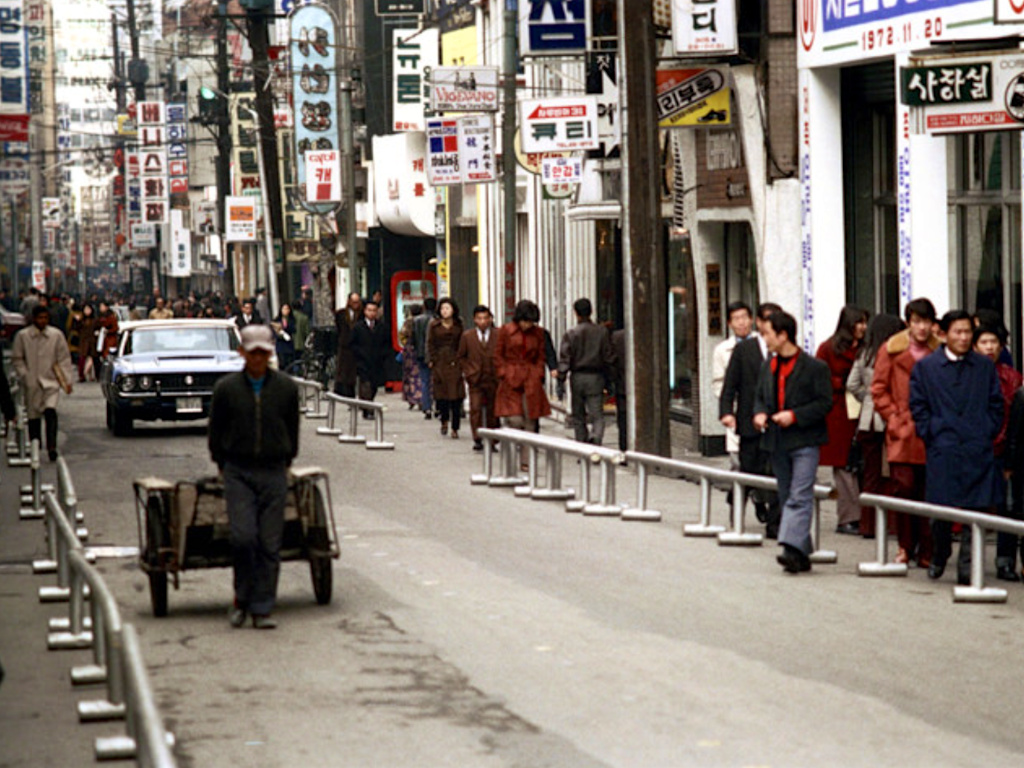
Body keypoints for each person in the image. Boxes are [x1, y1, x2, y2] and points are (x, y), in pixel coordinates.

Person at [208, 324, 299, 630]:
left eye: (263, 353)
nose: (258, 358)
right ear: (242, 353)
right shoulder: (227, 389)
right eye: (253, 353)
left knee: (270, 544)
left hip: (274, 470)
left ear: (269, 354)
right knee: (244, 537)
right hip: (238, 471)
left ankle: (262, 607)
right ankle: (241, 599)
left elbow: (292, 430)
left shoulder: (285, 388)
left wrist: (286, 460)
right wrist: (222, 462)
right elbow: (216, 431)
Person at [909, 310, 1003, 585]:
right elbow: (918, 406)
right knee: (941, 511)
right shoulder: (927, 368)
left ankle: (967, 565)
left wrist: (985, 431)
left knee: (976, 510)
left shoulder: (984, 367)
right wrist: (932, 431)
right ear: (943, 334)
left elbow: (996, 405)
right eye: (957, 332)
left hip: (977, 448)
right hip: (944, 448)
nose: (963, 338)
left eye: (967, 332)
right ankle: (940, 553)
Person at [752, 310, 832, 574]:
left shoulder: (814, 367)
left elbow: (824, 403)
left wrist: (795, 415)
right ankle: (801, 553)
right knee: (788, 496)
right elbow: (760, 397)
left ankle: (788, 548)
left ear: (783, 335)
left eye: (767, 333)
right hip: (777, 441)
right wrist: (760, 413)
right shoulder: (769, 365)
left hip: (805, 440)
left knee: (799, 495)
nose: (764, 339)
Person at [870, 297, 940, 568]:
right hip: (903, 428)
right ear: (908, 322)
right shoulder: (891, 349)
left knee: (928, 490)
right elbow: (878, 388)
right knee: (904, 486)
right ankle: (904, 545)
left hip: (930, 429)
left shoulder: (938, 351)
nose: (922, 328)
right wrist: (892, 417)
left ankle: (927, 548)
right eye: (917, 321)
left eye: (926, 322)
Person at [719, 302, 783, 537]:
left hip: (777, 424)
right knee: (749, 471)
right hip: (748, 423)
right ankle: (736, 512)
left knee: (777, 473)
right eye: (766, 319)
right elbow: (730, 385)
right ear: (759, 322)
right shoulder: (745, 350)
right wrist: (726, 411)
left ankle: (775, 525)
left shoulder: (785, 350)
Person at [846, 313, 905, 538]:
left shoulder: (864, 355)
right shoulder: (894, 354)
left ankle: (868, 524)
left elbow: (852, 383)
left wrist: (868, 399)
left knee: (870, 474)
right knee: (890, 473)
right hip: (890, 419)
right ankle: (890, 524)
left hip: (867, 420)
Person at [973, 323, 1022, 581]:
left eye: (994, 342)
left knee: (1008, 508)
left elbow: (1015, 419)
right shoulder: (966, 373)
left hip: (1003, 451)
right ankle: (967, 560)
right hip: (972, 448)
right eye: (984, 342)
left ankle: (1006, 561)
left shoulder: (1013, 378)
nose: (989, 347)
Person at [816, 305, 869, 534]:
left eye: (865, 323)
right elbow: (819, 379)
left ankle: (863, 515)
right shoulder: (828, 348)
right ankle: (848, 517)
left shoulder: (868, 348)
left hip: (862, 410)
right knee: (844, 465)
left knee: (861, 464)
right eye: (859, 322)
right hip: (838, 413)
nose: (863, 327)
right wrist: (841, 382)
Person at [11, 305, 74, 462]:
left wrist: (67, 380)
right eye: (39, 318)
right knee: (33, 416)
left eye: (45, 318)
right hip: (32, 381)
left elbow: (64, 359)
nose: (42, 321)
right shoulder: (23, 336)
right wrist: (25, 375)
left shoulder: (56, 336)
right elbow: (17, 359)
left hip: (50, 380)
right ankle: (35, 445)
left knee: (51, 410)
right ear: (33, 319)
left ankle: (52, 446)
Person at [495, 300, 551, 463]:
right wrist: (503, 372)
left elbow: (541, 355)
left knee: (530, 418)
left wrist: (539, 372)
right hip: (511, 376)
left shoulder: (539, 333)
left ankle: (527, 459)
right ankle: (512, 456)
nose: (527, 325)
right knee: (514, 419)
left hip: (531, 378)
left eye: (531, 322)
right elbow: (498, 354)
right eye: (525, 321)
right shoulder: (505, 331)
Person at [558, 298, 615, 445]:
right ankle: (596, 437)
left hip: (577, 377)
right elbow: (609, 357)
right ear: (591, 311)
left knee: (578, 415)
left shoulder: (571, 334)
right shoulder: (601, 332)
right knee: (597, 414)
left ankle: (582, 444)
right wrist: (611, 380)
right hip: (596, 377)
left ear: (576, 313)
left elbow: (565, 359)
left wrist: (561, 379)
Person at [712, 301, 755, 465]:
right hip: (737, 409)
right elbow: (718, 382)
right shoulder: (722, 350)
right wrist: (729, 405)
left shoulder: (763, 343)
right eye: (736, 318)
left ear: (752, 320)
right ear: (730, 323)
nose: (741, 322)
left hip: (759, 409)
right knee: (738, 460)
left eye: (744, 317)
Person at [458, 304, 499, 451]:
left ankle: (493, 439)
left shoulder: (498, 335)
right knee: (475, 408)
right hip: (475, 378)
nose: (482, 321)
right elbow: (461, 357)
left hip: (493, 378)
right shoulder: (467, 336)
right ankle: (477, 438)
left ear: (490, 319)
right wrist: (468, 372)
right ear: (475, 320)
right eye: (479, 318)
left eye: (485, 318)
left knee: (493, 410)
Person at [427, 298, 465, 438]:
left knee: (456, 396)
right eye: (442, 308)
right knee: (441, 395)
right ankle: (444, 420)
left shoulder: (459, 325)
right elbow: (430, 343)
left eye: (447, 308)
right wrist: (432, 359)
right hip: (440, 362)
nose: (445, 311)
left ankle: (455, 427)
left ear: (453, 310)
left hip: (455, 361)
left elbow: (463, 342)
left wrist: (462, 360)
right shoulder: (434, 325)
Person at [350, 300, 390, 416]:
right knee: (365, 384)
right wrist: (358, 354)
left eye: (374, 311)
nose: (372, 313)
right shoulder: (358, 327)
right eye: (369, 310)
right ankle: (368, 409)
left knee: (374, 386)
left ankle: (367, 404)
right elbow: (352, 343)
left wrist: (383, 355)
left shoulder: (382, 327)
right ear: (365, 311)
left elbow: (387, 343)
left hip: (377, 361)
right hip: (363, 361)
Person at [334, 291, 362, 398]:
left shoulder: (362, 314)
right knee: (344, 372)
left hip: (358, 346)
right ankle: (345, 392)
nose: (356, 304)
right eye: (353, 302)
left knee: (356, 373)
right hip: (345, 346)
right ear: (349, 302)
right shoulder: (340, 314)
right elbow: (338, 329)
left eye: (357, 302)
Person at [412, 297, 436, 418]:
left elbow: (413, 338)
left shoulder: (417, 320)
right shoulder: (437, 320)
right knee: (437, 381)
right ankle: (438, 406)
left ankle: (426, 407)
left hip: (421, 354)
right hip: (435, 355)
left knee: (425, 381)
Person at [399, 304, 426, 410]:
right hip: (421, 349)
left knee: (409, 374)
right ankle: (421, 397)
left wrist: (406, 343)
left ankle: (410, 398)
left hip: (410, 350)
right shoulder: (424, 320)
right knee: (420, 374)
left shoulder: (408, 322)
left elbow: (402, 334)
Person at [72, 304, 99, 382]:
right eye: (86, 309)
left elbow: (98, 327)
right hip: (83, 341)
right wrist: (77, 321)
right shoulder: (81, 320)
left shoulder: (94, 320)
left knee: (95, 359)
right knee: (82, 359)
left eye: (88, 309)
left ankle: (97, 375)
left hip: (92, 341)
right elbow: (75, 328)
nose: (87, 311)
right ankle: (81, 376)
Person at [611, 327, 627, 453]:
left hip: (621, 383)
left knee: (623, 417)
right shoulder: (649, 333)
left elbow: (611, 361)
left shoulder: (617, 337)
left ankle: (624, 448)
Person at [273, 303, 297, 371]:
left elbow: (294, 330)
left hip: (289, 345)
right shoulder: (277, 320)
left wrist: (285, 327)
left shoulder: (292, 320)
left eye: (287, 309)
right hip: (280, 345)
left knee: (290, 364)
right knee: (282, 364)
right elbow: (274, 332)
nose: (286, 310)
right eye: (284, 309)